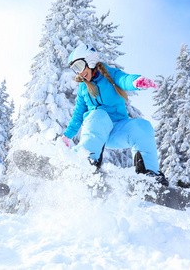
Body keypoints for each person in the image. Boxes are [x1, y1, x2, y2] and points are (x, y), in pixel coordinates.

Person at [62, 44, 168, 186]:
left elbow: (124, 80)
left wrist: (136, 81)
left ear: (90, 60)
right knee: (98, 115)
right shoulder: (83, 88)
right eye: (75, 69)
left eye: (80, 66)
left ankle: (149, 176)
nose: (79, 73)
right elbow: (78, 115)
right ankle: (86, 162)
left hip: (117, 130)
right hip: (96, 131)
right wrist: (67, 136)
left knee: (143, 126)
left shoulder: (110, 74)